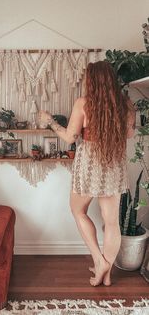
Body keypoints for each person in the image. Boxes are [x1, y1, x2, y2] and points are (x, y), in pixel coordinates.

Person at [38, 61, 136, 287]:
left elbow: (70, 137)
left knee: (77, 210)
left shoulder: (84, 104)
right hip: (113, 163)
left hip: (90, 163)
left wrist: (50, 121)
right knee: (112, 222)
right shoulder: (126, 104)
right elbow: (130, 135)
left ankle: (98, 260)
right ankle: (107, 271)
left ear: (92, 80)